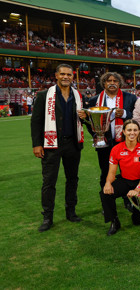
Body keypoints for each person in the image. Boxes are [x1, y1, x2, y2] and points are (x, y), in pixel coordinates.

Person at [31, 64, 85, 232]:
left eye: (68, 74)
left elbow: (81, 120)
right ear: (56, 75)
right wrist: (37, 144)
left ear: (73, 77)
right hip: (51, 144)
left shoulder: (78, 96)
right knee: (49, 182)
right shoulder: (44, 95)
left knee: (72, 179)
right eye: (62, 74)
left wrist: (84, 116)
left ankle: (71, 211)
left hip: (72, 143)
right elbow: (36, 121)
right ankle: (48, 217)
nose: (65, 77)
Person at [82, 72, 137, 188]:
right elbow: (89, 121)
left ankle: (129, 200)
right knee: (105, 172)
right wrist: (97, 135)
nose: (112, 83)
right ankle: (106, 200)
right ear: (104, 83)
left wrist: (125, 113)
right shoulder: (94, 100)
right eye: (109, 81)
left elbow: (138, 117)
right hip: (104, 142)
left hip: (125, 141)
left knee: (128, 172)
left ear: (119, 83)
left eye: (115, 81)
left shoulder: (130, 98)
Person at [100, 119, 140, 236]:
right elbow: (111, 172)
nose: (132, 133)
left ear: (139, 131)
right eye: (129, 130)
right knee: (105, 193)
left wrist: (137, 189)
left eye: (135, 130)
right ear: (124, 132)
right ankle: (114, 221)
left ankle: (136, 209)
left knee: (137, 221)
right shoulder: (116, 149)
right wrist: (108, 183)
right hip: (125, 180)